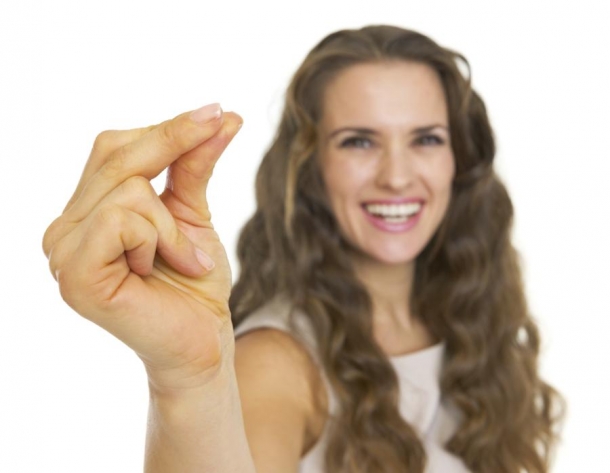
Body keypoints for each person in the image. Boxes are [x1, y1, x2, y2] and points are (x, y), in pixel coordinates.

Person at [42, 25, 565, 473]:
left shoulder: (475, 321)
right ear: (311, 167)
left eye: (426, 139)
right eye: (359, 141)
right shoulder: (276, 363)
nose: (397, 176)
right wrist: (188, 381)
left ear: (460, 160)